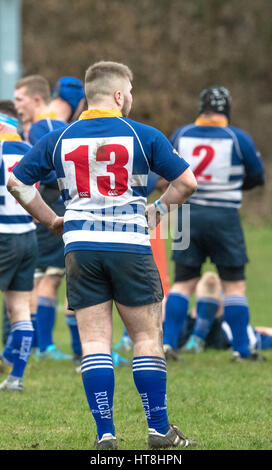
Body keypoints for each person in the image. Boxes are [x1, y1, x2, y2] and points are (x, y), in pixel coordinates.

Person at [7, 60, 197, 450]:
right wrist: (156, 213)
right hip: (129, 245)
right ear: (117, 94)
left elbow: (17, 182)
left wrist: (52, 220)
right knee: (146, 337)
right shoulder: (143, 134)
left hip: (80, 248)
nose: (131, 97)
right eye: (129, 90)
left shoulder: (60, 138)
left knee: (94, 343)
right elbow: (186, 182)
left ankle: (105, 434)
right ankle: (159, 431)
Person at [163, 86, 265, 361]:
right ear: (227, 109)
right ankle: (242, 350)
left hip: (186, 215)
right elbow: (257, 177)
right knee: (234, 285)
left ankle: (167, 345)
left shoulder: (181, 134)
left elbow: (165, 170)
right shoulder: (237, 137)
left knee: (183, 283)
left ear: (201, 107)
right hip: (224, 217)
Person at [14, 75, 72, 360]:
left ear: (37, 100)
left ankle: (37, 344)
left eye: (19, 99)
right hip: (51, 206)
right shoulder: (46, 125)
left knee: (40, 277)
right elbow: (54, 170)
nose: (16, 106)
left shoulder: (41, 125)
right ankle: (45, 345)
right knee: (51, 276)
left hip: (37, 207)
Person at [0, 100, 38, 391]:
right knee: (20, 308)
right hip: (27, 235)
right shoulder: (29, 151)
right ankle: (16, 378)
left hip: (3, 235)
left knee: (17, 307)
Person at [179, 271, 270, 358]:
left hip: (200, 328)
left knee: (210, 280)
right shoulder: (233, 326)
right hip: (222, 332)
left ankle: (194, 338)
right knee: (216, 282)